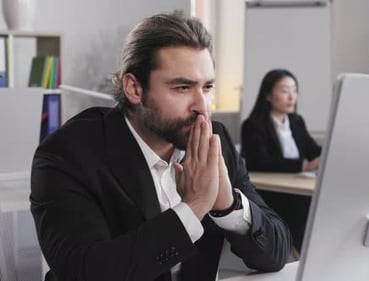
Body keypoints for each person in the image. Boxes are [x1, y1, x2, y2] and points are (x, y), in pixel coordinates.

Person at [30, 13, 291, 281]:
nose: (202, 107)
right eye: (182, 87)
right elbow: (86, 272)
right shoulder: (67, 154)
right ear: (134, 88)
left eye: (207, 87)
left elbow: (278, 252)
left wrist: (228, 206)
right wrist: (194, 207)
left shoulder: (214, 140)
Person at [240, 69, 321, 253]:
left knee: (319, 206)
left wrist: (329, 154)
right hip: (272, 193)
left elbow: (313, 150)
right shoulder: (253, 125)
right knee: (305, 211)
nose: (291, 96)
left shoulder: (297, 122)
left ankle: (311, 254)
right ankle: (304, 256)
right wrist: (303, 166)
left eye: (294, 90)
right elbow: (260, 162)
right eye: (285, 91)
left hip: (297, 189)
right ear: (268, 95)